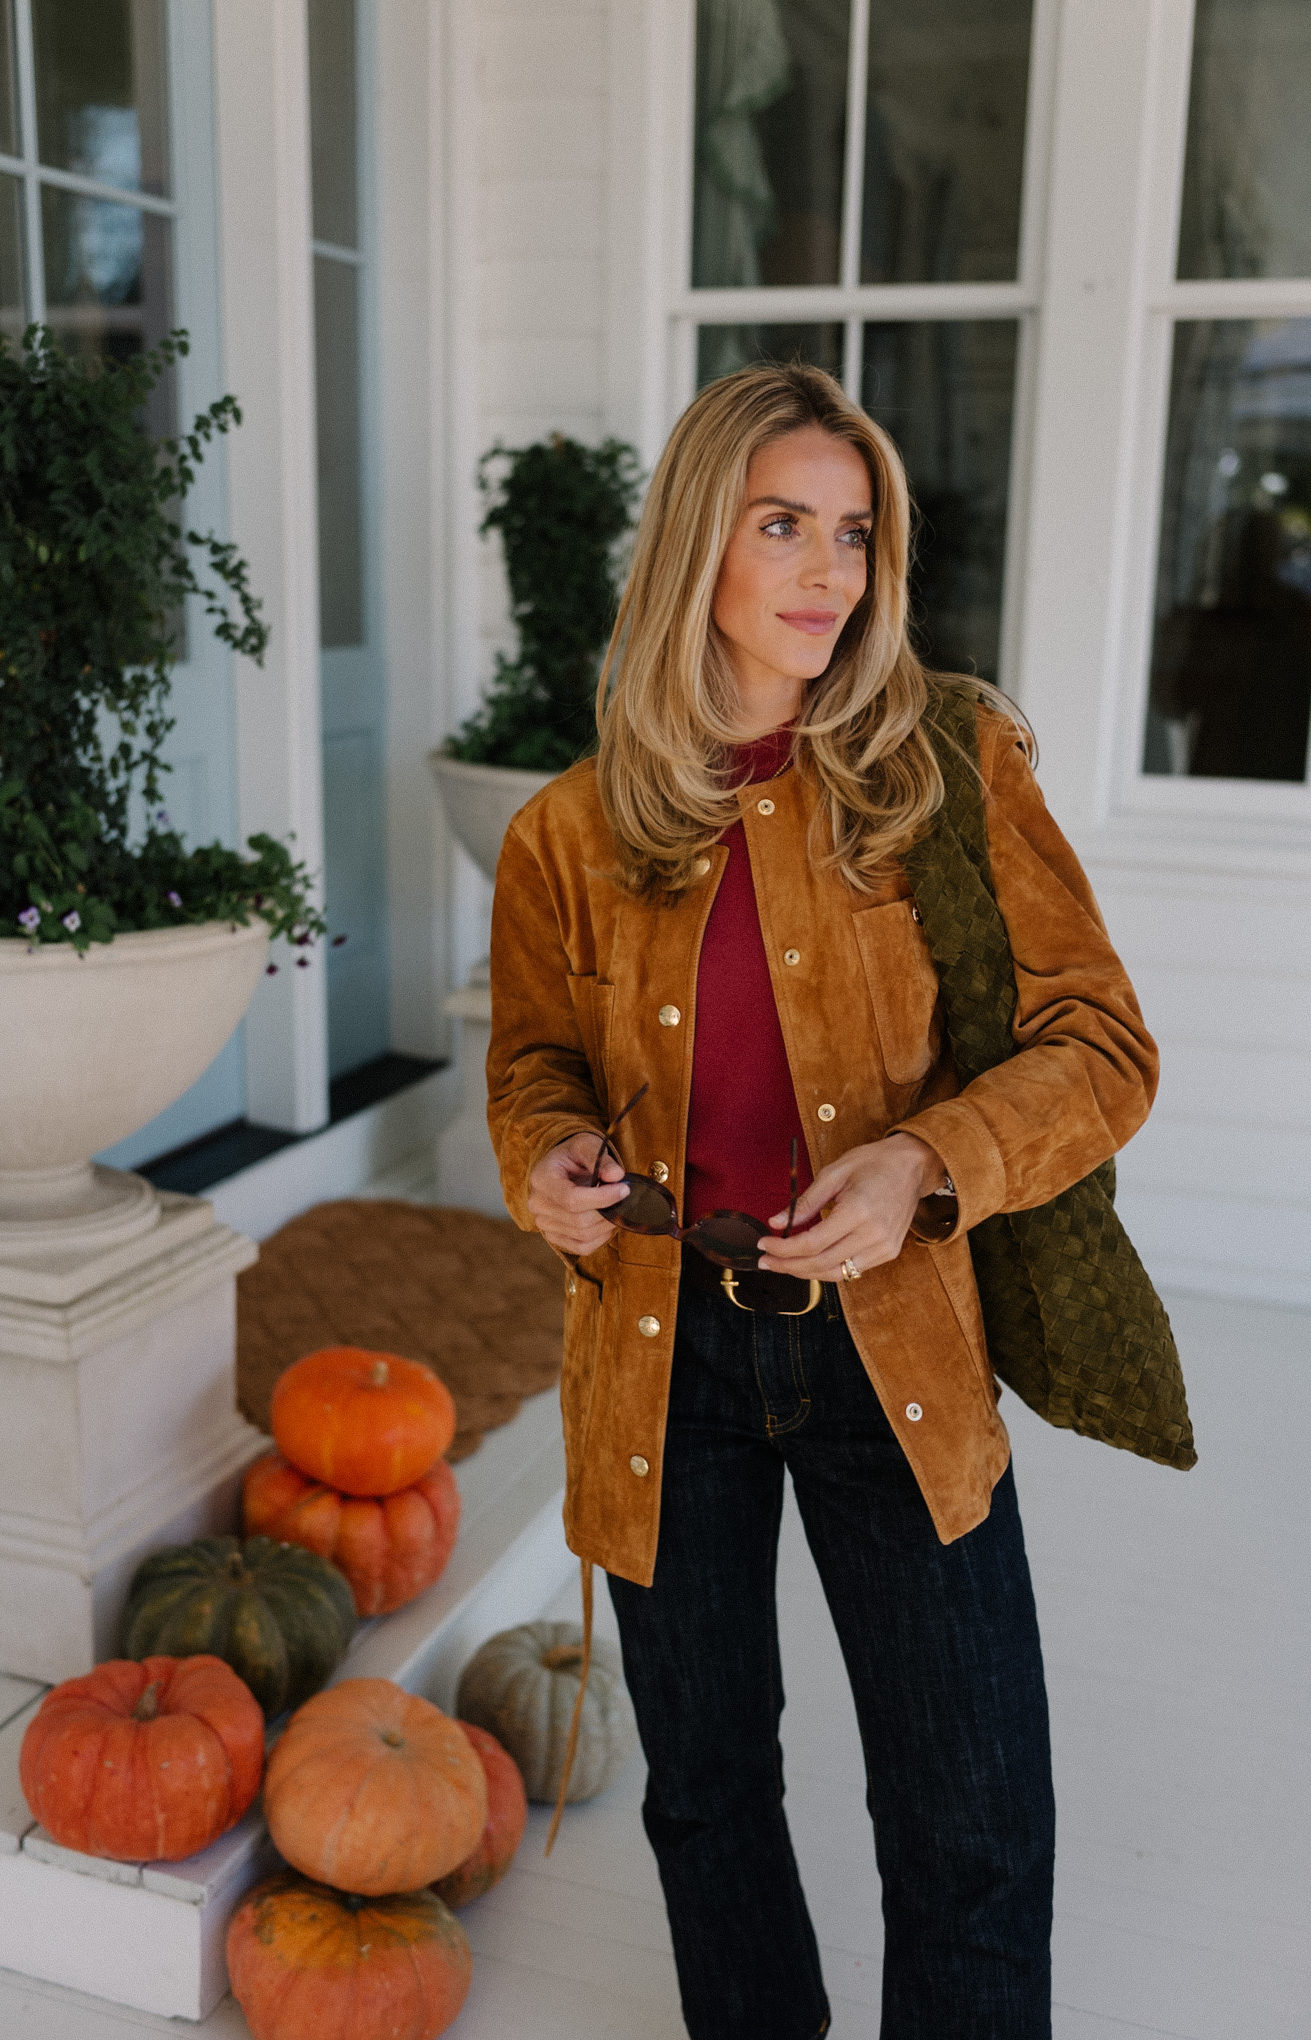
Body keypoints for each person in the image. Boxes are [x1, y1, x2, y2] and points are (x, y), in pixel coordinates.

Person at [485, 363, 1159, 2040]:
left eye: (853, 534)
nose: (827, 573)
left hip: (893, 1350)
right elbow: (532, 1074)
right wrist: (547, 1166)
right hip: (664, 1362)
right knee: (706, 1801)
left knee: (974, 1824)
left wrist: (932, 1160)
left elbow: (1106, 1043)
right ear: (696, 542)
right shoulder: (568, 833)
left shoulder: (945, 763)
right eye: (782, 524)